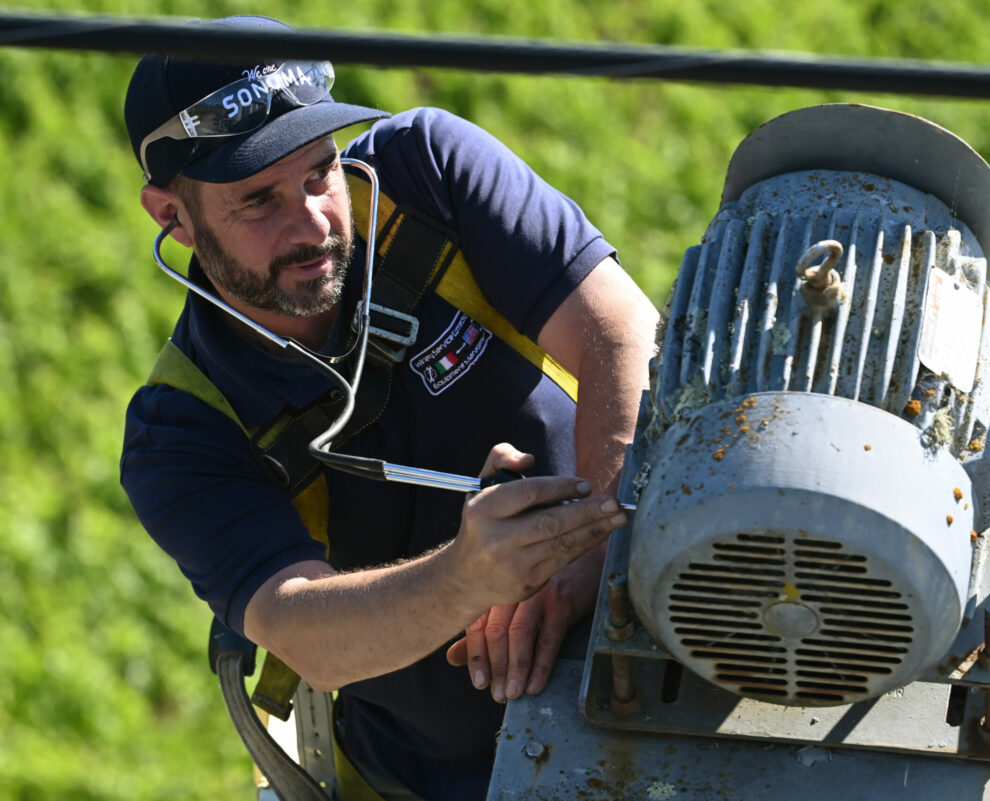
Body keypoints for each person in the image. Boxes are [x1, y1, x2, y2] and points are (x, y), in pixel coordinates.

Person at [118, 15, 658, 801]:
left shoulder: (427, 174)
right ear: (171, 216)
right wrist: (471, 576)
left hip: (635, 652)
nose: (311, 223)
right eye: (258, 200)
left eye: (319, 172)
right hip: (441, 778)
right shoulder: (182, 428)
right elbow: (301, 629)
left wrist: (584, 567)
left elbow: (623, 333)